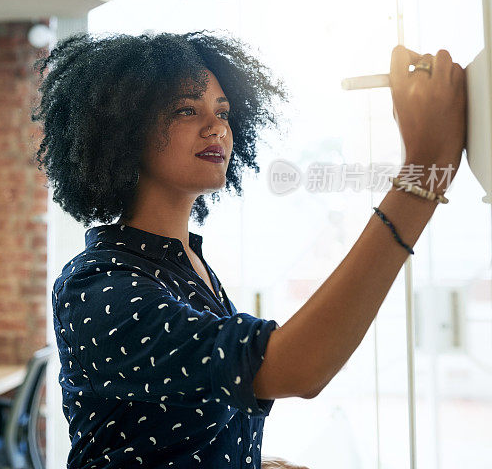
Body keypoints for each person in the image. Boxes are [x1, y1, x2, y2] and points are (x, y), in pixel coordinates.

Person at [30, 31, 467, 468]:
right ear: (123, 132)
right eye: (187, 110)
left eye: (223, 111)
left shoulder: (186, 265)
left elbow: (172, 431)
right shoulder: (99, 287)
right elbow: (296, 367)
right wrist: (422, 177)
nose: (216, 126)